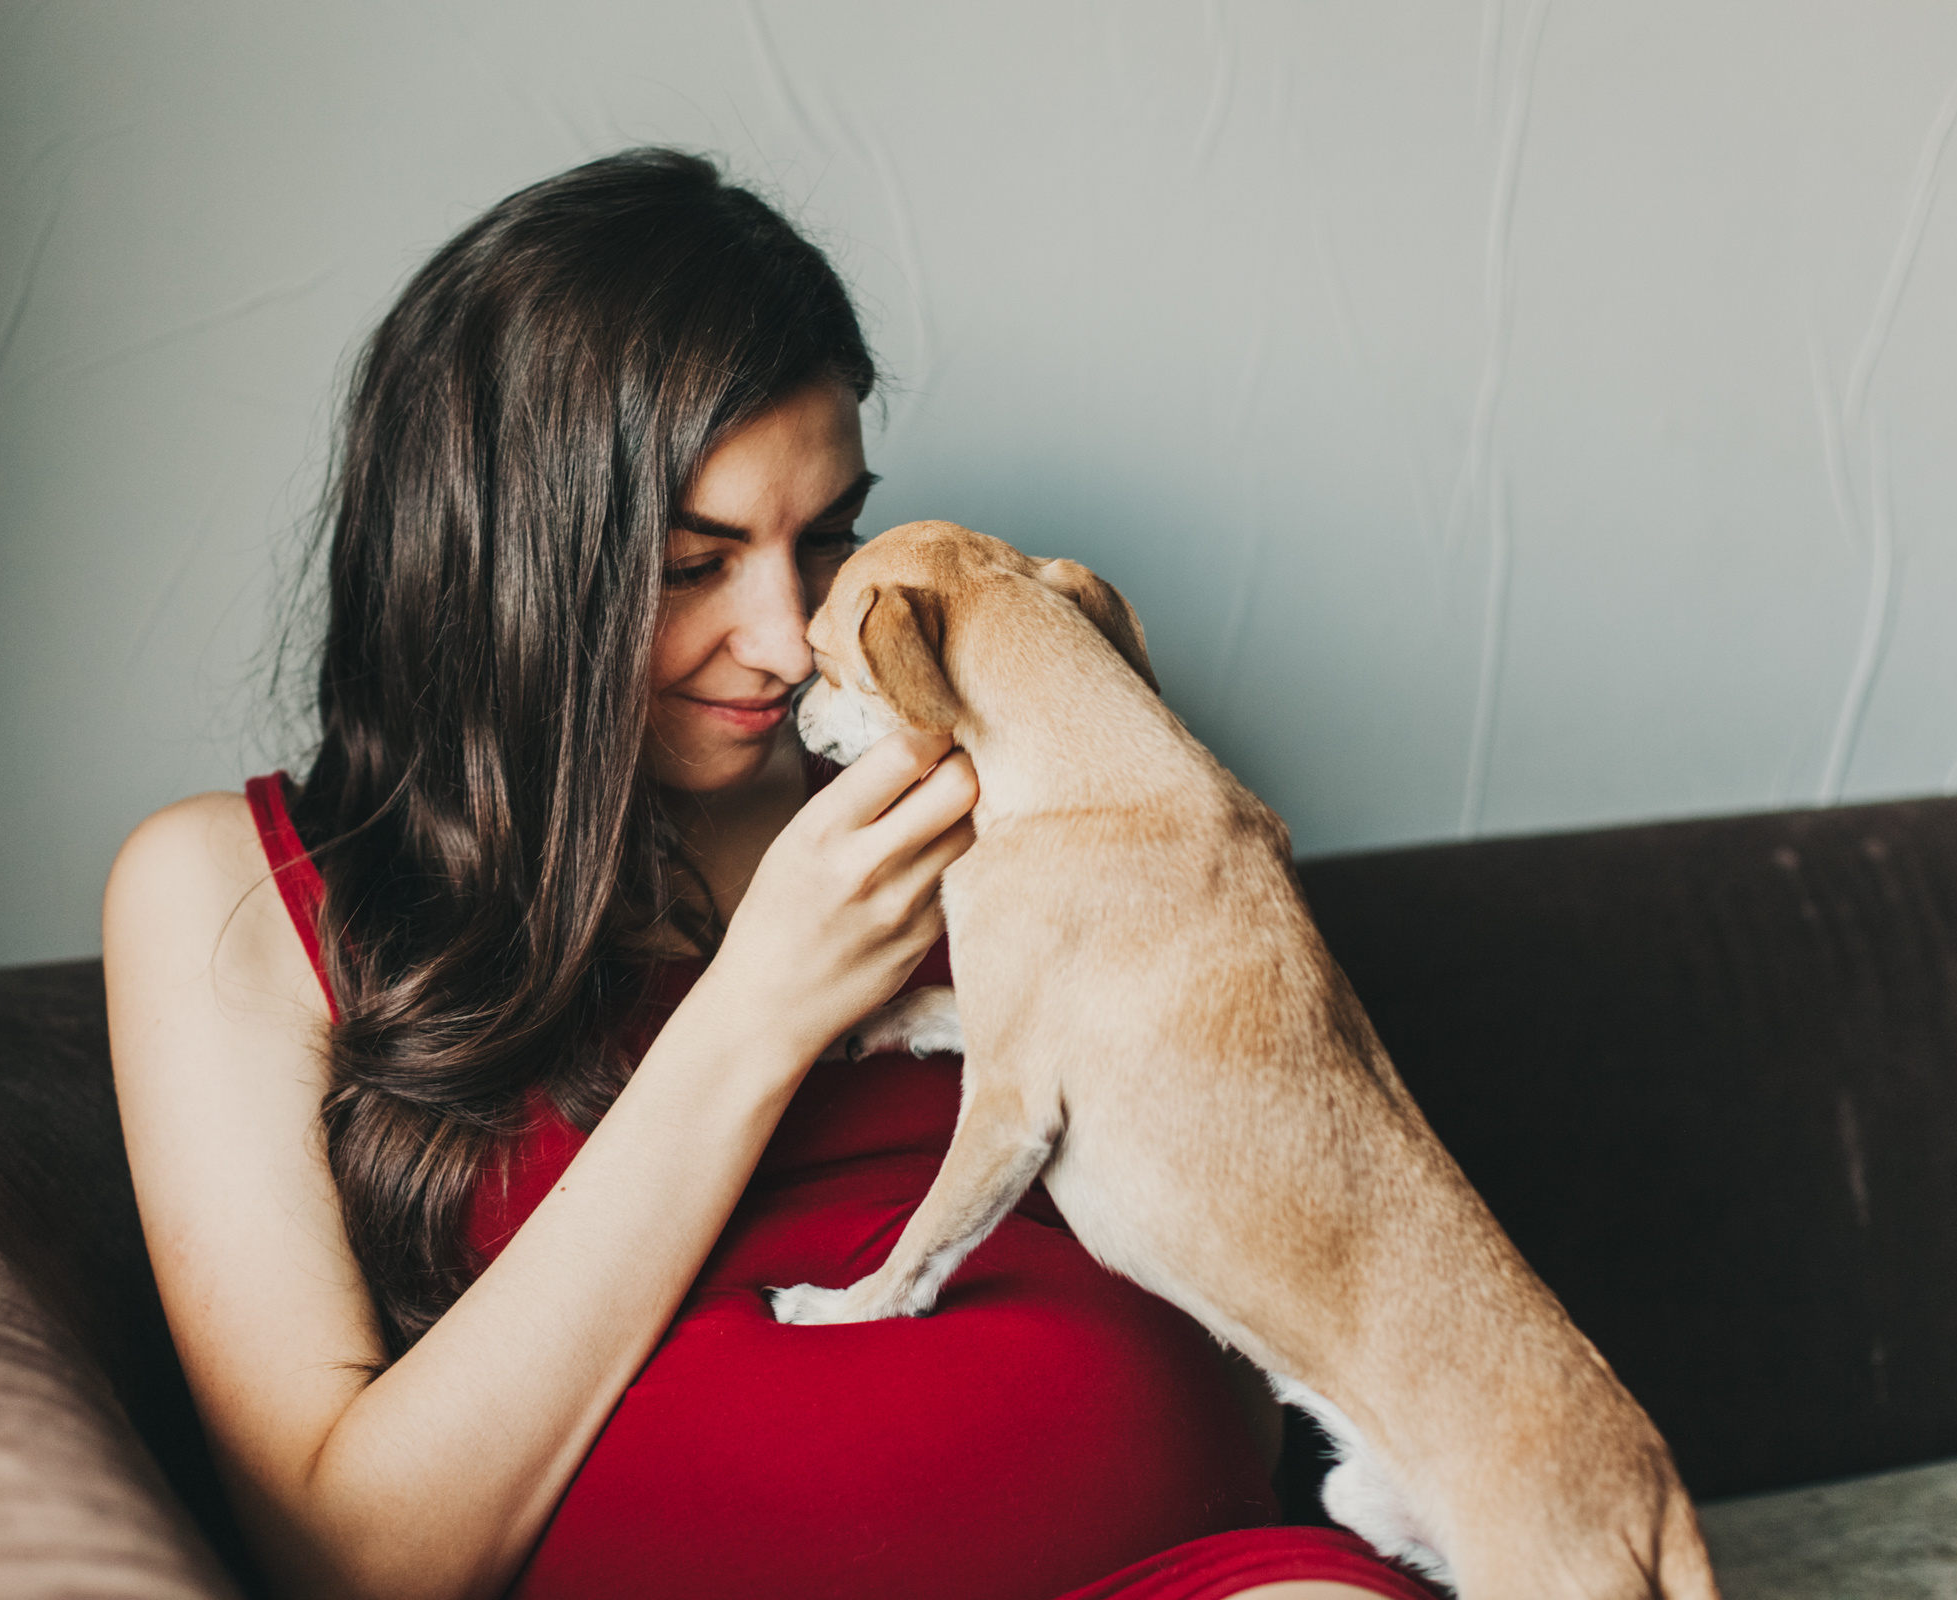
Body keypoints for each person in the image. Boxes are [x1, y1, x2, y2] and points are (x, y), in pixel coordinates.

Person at [103, 148, 1436, 1600]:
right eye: (694, 563)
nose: (794, 636)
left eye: (829, 538)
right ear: (506, 567)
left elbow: (1294, 1210)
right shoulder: (230, 890)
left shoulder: (961, 774)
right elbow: (350, 1561)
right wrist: (760, 1009)